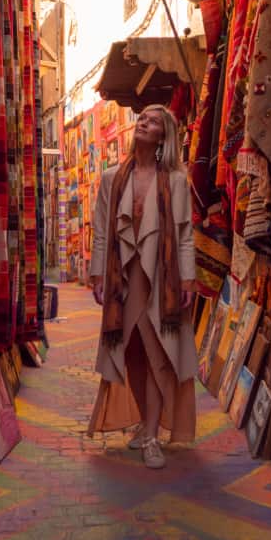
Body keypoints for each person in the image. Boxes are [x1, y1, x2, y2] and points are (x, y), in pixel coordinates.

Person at [88, 105, 197, 468]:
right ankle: (145, 426)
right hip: (124, 276)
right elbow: (102, 230)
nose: (143, 122)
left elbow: (183, 234)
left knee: (157, 353)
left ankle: (151, 435)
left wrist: (188, 278)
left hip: (160, 278)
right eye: (142, 118)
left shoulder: (177, 182)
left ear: (163, 136)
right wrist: (98, 275)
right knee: (129, 350)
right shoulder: (111, 178)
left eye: (152, 121)